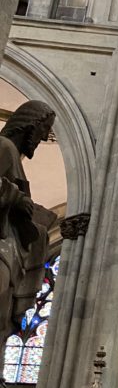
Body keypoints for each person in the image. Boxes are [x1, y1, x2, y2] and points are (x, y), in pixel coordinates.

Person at [0, 100, 56, 354]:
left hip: (10, 251)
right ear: (30, 123)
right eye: (43, 128)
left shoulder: (13, 155)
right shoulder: (4, 147)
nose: (45, 136)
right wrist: (17, 199)